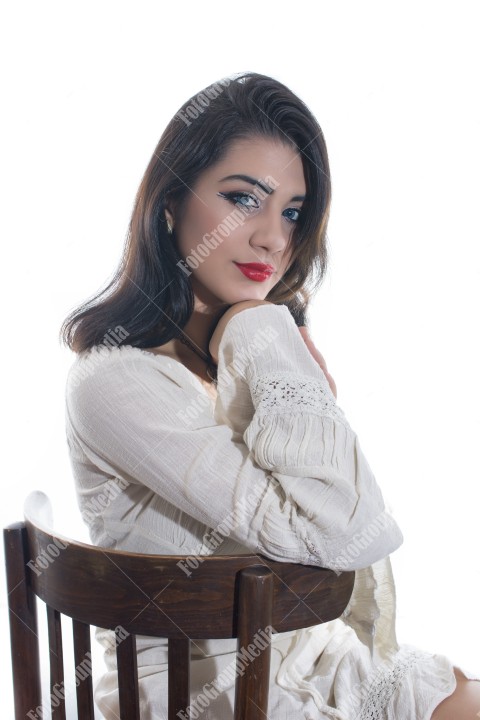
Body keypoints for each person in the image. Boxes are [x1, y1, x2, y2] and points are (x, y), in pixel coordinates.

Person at [61, 71, 480, 719]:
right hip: (197, 688)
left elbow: (353, 524)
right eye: (242, 199)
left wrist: (258, 334)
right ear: (170, 202)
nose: (274, 238)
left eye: (291, 211)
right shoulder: (116, 380)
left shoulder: (247, 356)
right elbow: (342, 537)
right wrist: (263, 323)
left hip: (310, 654)